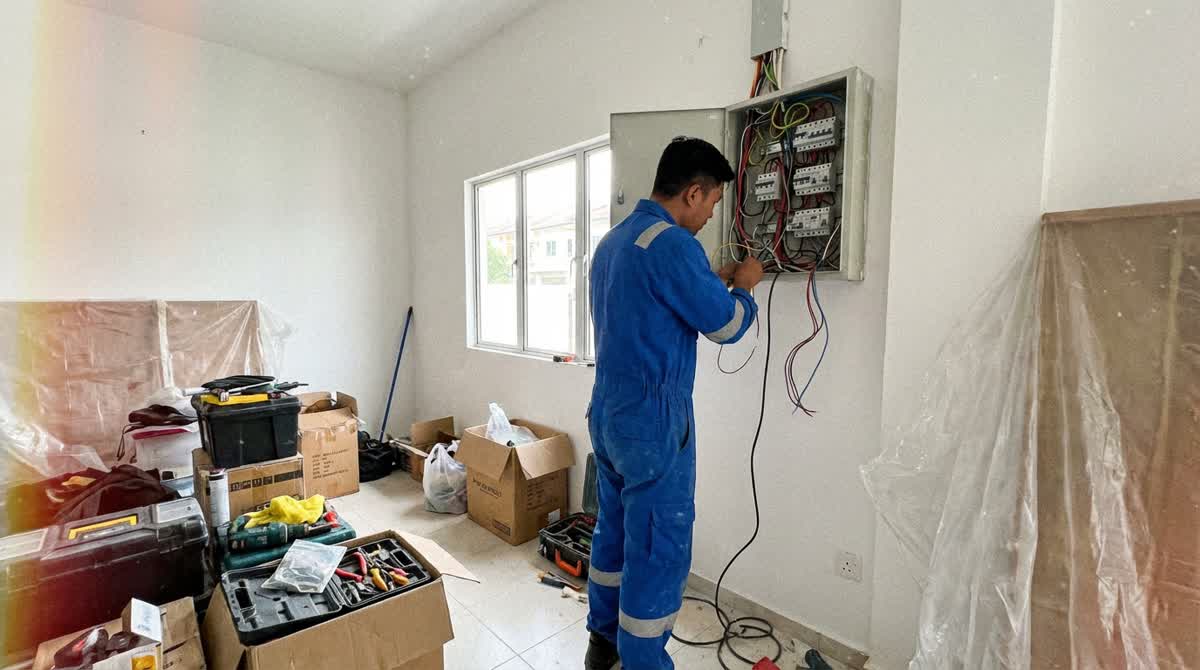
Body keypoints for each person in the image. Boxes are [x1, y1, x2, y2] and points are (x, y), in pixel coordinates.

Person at [584, 137, 763, 670]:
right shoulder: (675, 246)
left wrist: (712, 280)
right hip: (655, 424)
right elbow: (726, 326)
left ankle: (603, 645)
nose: (711, 215)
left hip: (609, 413)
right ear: (692, 192)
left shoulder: (615, 241)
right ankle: (644, 662)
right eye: (710, 203)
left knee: (612, 533)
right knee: (658, 549)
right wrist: (746, 288)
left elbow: (654, 302)